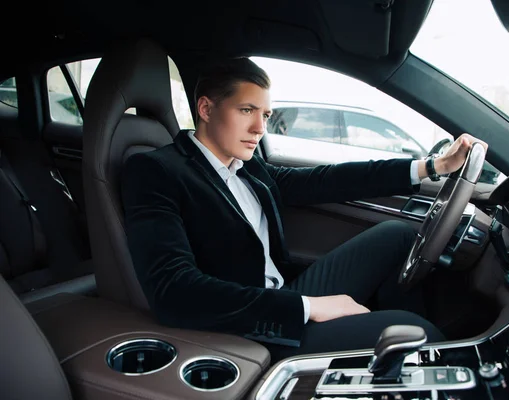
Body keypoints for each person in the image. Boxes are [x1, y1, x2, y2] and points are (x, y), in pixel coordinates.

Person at [121, 57, 487, 363]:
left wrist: (432, 166)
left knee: (399, 235)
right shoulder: (156, 171)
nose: (259, 128)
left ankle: (395, 354)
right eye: (246, 110)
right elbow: (175, 291)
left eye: (265, 114)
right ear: (205, 108)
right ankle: (411, 348)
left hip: (284, 291)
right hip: (250, 327)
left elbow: (326, 181)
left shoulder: (245, 165)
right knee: (417, 333)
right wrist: (307, 308)